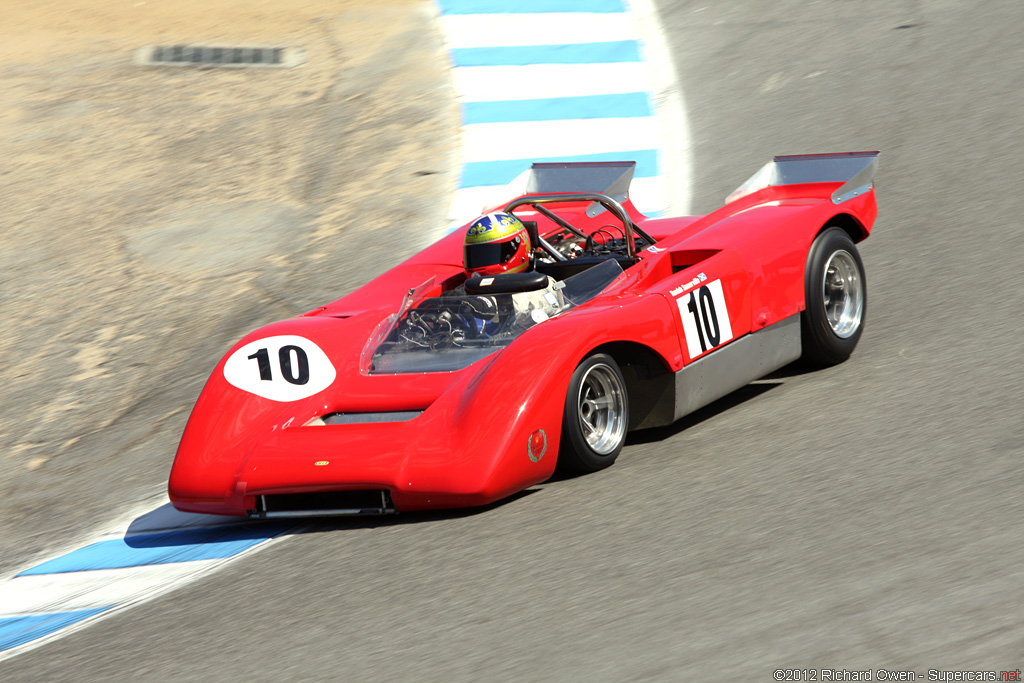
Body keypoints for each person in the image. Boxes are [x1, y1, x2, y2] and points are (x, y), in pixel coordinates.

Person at [462, 211, 533, 277]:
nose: (476, 270)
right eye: (475, 256)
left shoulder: (540, 283)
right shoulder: (464, 288)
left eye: (489, 255)